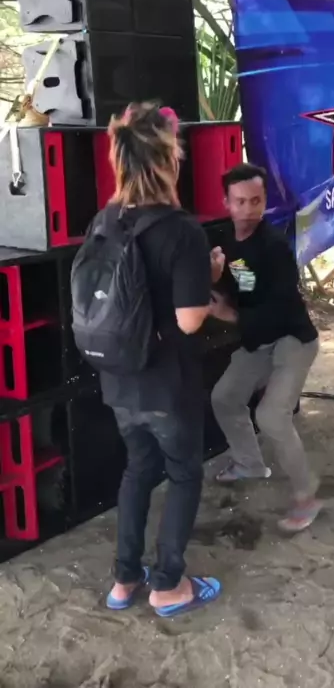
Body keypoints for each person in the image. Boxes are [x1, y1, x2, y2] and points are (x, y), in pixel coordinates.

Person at [98, 102, 221, 617]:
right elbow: (190, 320)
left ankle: (124, 579)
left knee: (138, 470)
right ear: (169, 160)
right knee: (184, 474)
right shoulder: (182, 230)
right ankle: (168, 584)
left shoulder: (105, 220)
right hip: (168, 385)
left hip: (119, 380)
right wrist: (209, 276)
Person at [209, 163, 321, 533]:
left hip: (292, 339)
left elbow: (279, 309)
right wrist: (214, 278)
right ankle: (250, 464)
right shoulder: (225, 239)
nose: (248, 209)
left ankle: (306, 496)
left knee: (272, 416)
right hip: (259, 339)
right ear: (226, 202)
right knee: (225, 398)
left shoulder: (274, 247)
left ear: (264, 201)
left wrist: (229, 314)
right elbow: (241, 285)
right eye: (240, 201)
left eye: (255, 201)